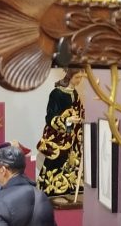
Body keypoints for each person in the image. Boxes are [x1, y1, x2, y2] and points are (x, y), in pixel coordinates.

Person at [36, 68, 85, 202]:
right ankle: (53, 190)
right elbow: (50, 116)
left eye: (81, 78)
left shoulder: (74, 93)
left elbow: (79, 110)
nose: (79, 81)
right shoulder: (56, 94)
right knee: (56, 160)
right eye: (77, 78)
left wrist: (79, 120)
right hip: (57, 135)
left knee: (70, 161)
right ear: (69, 77)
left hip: (71, 134)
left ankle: (66, 188)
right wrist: (67, 120)